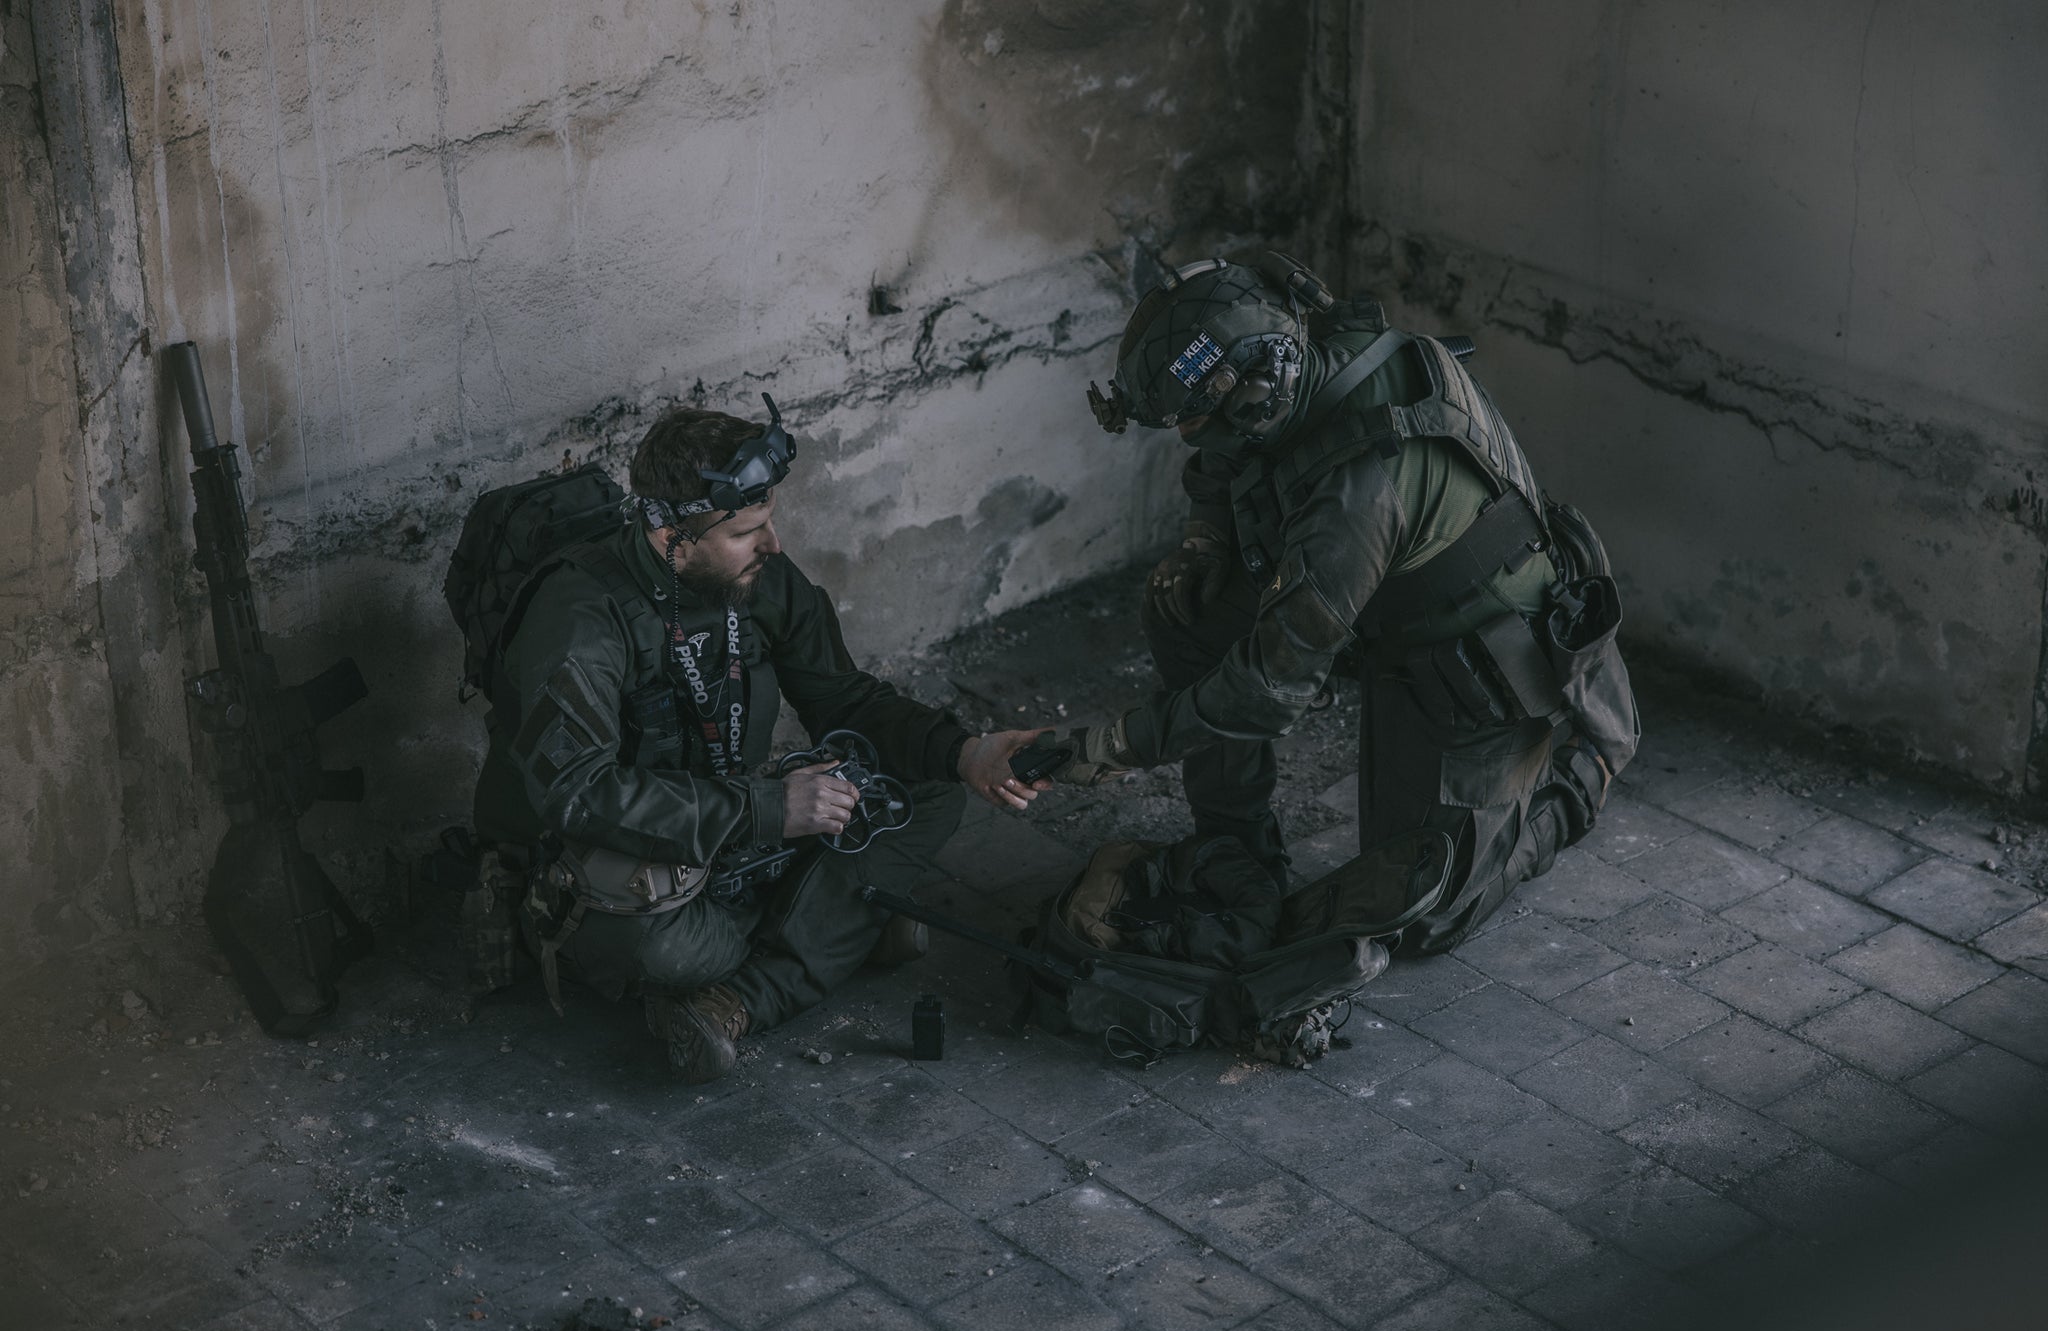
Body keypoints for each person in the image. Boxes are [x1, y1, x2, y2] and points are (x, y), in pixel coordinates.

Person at [1061, 252, 1639, 953]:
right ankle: (1237, 846)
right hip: (1383, 603)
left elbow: (1268, 690)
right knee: (1185, 611)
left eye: (1195, 420)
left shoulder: (1356, 492)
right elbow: (1219, 463)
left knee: (1422, 917)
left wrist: (1113, 746)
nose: (1189, 437)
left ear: (1248, 393)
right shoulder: (1307, 347)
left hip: (1478, 666)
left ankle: (1581, 778)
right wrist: (1205, 544)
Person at [474, 401, 1051, 1082]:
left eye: (769, 523)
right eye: (749, 532)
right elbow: (579, 793)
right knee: (677, 955)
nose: (774, 546)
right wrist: (768, 810)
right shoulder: (580, 619)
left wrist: (964, 754)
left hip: (733, 819)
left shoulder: (758, 580)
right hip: (615, 844)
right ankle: (836, 927)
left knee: (927, 794)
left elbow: (846, 698)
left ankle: (742, 997)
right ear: (670, 538)